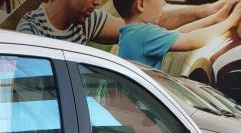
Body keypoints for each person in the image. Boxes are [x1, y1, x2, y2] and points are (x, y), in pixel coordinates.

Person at [16, 0, 239, 45]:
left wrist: (208, 12)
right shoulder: (30, 32)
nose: (97, 2)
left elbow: (145, 24)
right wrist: (228, 22)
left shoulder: (86, 21)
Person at [115, 0, 241, 68]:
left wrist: (214, 19)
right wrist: (230, 22)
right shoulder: (143, 34)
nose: (164, 3)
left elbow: (178, 33)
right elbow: (189, 41)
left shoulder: (133, 34)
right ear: (141, 4)